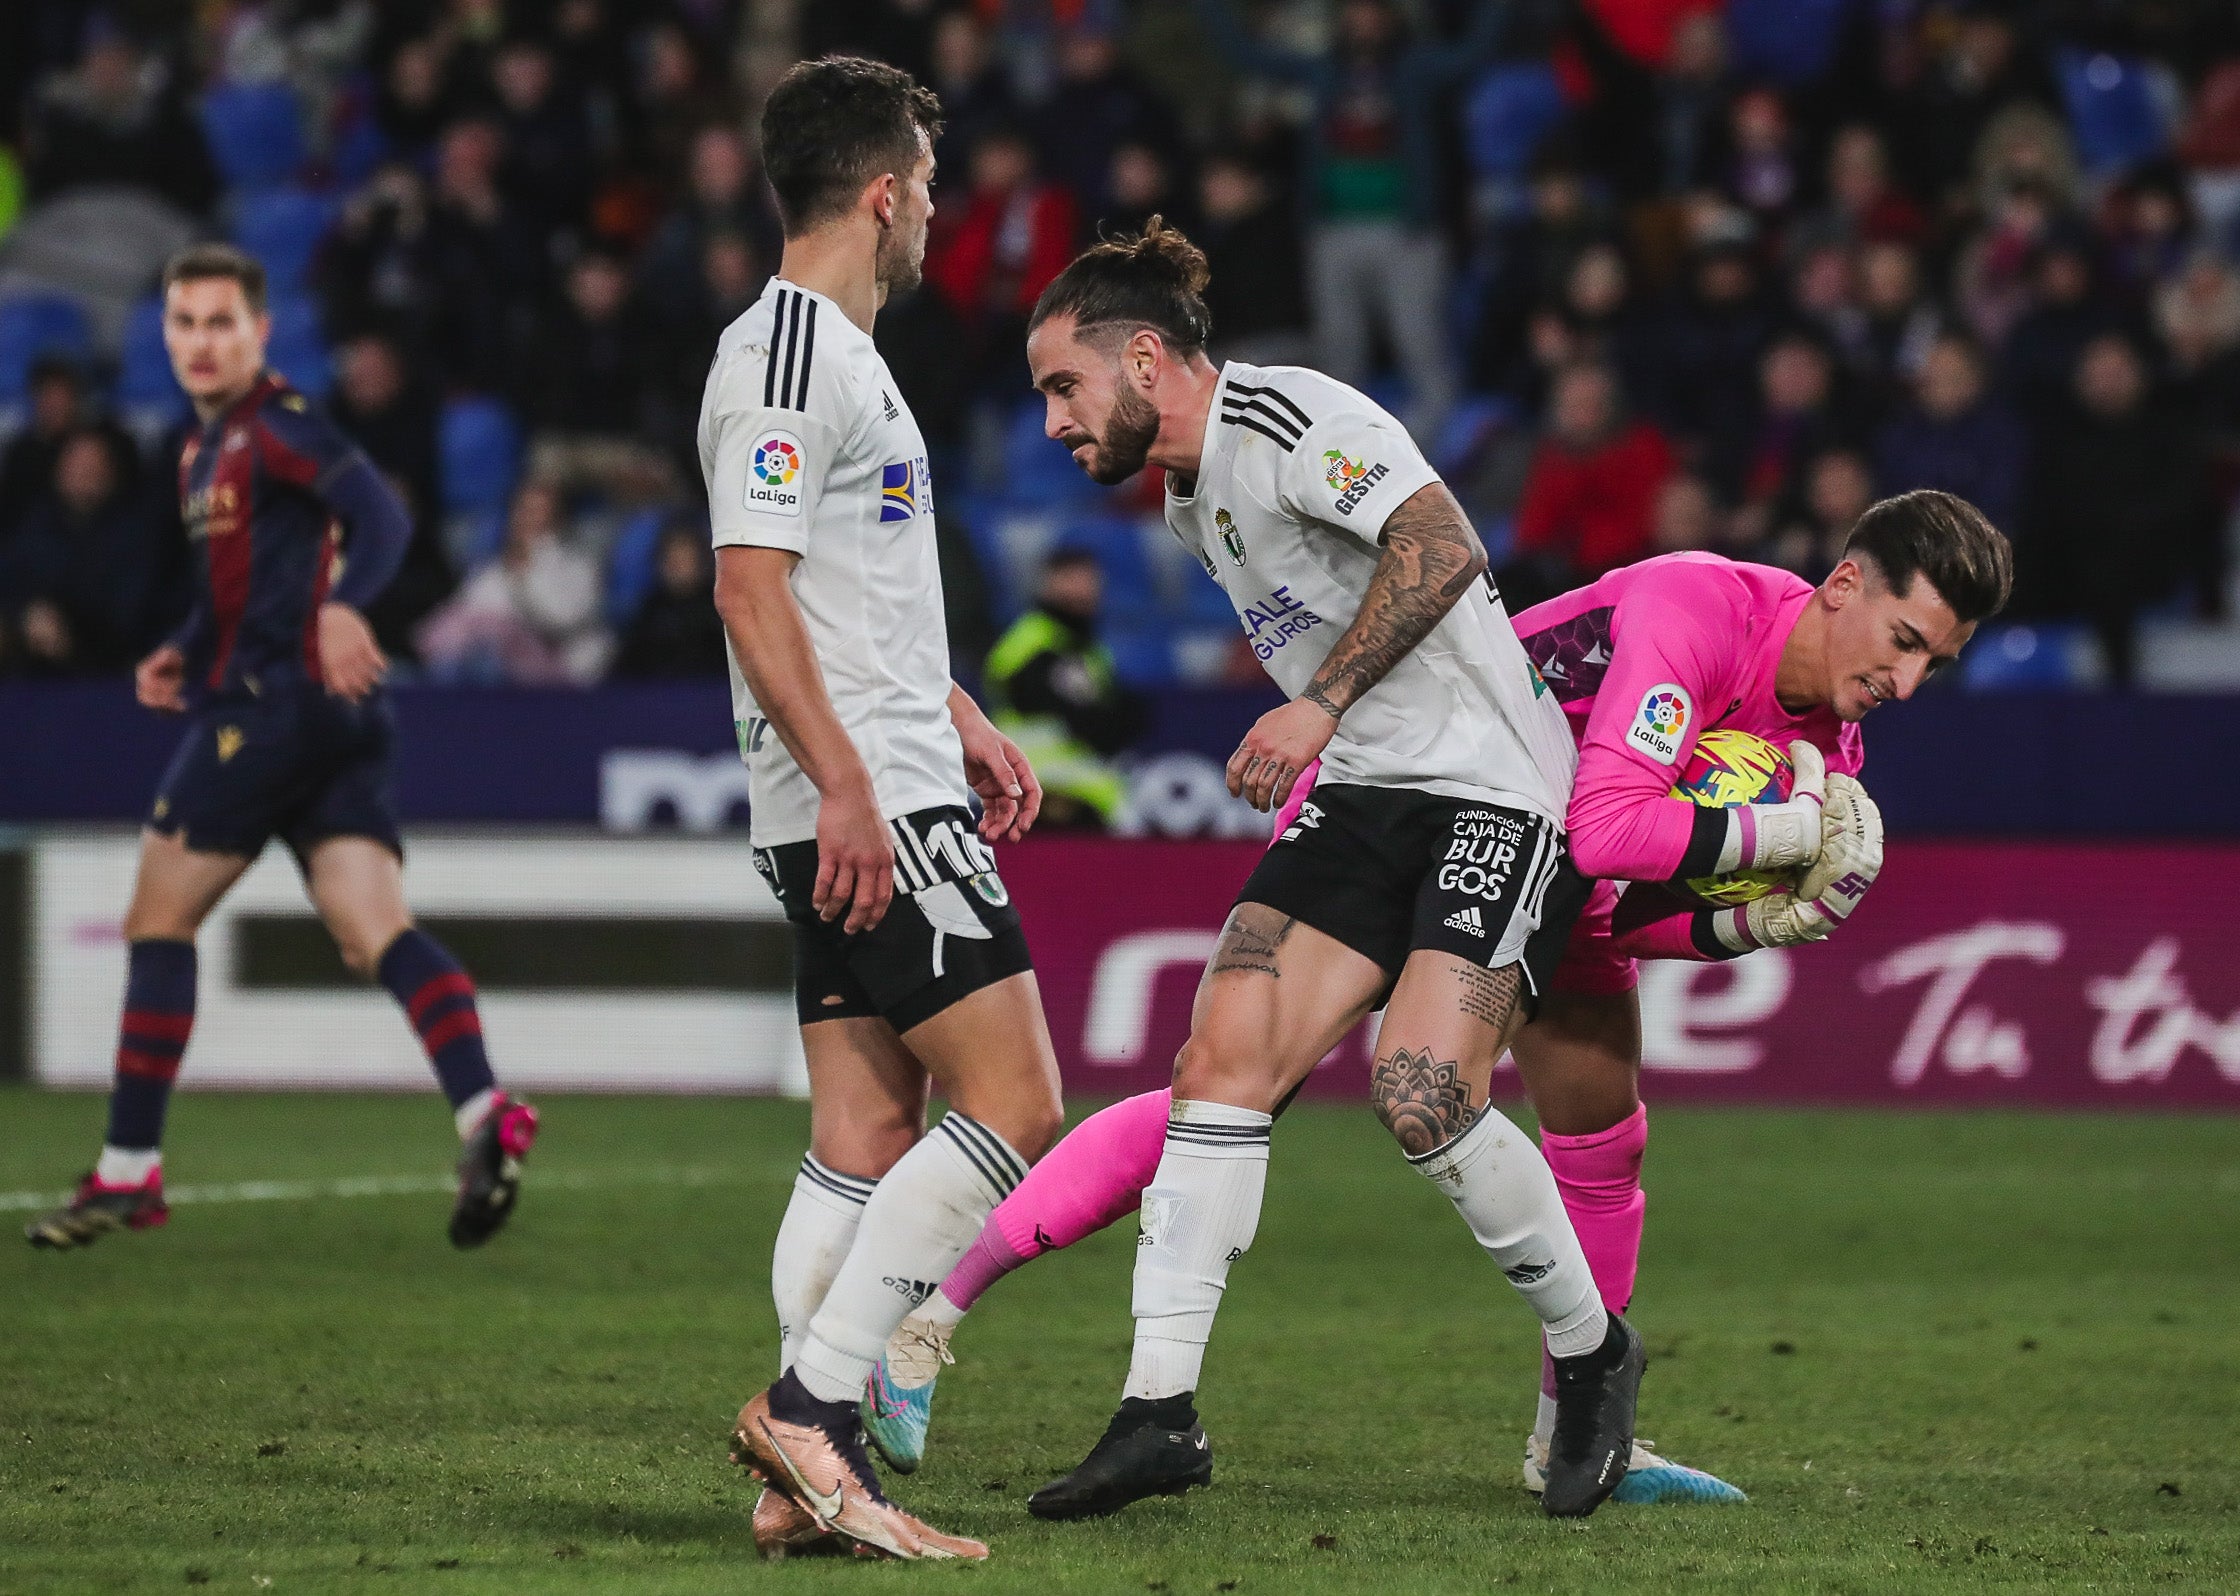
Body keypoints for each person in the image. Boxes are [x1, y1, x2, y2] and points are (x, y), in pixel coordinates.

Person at [866, 489, 2013, 1509]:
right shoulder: (1700, 612)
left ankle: (1578, 1426)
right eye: (1903, 640)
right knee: (1224, 1097)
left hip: (1549, 869)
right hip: (1415, 802)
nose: (1905, 682)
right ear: (1844, 585)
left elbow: (1621, 899)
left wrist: (1747, 922)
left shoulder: (1830, 758)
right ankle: (927, 1318)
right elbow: (1614, 825)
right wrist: (1780, 837)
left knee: (1602, 1129)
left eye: (1936, 664)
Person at [1009, 218, 1643, 1523]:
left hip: (1492, 788)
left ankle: (1594, 1357)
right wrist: (1334, 728)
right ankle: (1158, 1412)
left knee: (1419, 1093)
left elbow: (1442, 546)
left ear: (1144, 357)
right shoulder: (1187, 499)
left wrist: (1321, 702)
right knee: (1220, 1055)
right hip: (1365, 793)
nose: (1057, 425)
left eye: (1064, 388)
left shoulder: (1291, 416)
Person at [707, 57, 1067, 1565]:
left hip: (886, 772)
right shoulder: (789, 354)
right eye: (925, 184)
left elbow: (850, 599)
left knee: (865, 1124)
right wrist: (860, 784)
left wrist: (959, 715)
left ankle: (810, 1480)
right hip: (866, 801)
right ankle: (816, 1405)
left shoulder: (841, 357)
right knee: (1019, 1104)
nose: (935, 209)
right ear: (878, 191)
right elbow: (750, 584)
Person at [24, 245, 538, 1253]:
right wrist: (180, 651)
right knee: (372, 929)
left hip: (274, 707)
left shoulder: (277, 427)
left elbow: (382, 518)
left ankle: (130, 1167)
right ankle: (484, 1111)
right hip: (329, 716)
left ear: (259, 334)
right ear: (165, 337)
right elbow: (238, 591)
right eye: (185, 323)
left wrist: (347, 607)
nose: (202, 342)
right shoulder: (197, 451)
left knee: (156, 917)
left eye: (223, 322)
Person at [981, 547, 1149, 831]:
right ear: (1048, 582)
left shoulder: (1088, 649)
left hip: (1085, 789)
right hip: (1043, 790)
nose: (1083, 589)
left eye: (1090, 581)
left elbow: (1124, 717)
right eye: (1072, 579)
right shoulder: (1031, 645)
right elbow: (1087, 720)